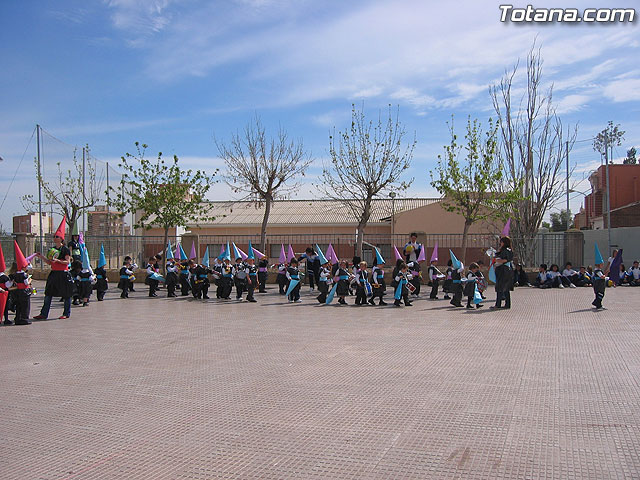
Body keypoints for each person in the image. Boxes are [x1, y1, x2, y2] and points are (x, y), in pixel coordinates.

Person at [34, 220, 74, 320]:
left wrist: (58, 261)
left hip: (63, 274)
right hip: (54, 274)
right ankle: (43, 314)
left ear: (61, 238)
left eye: (57, 236)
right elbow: (49, 262)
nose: (55, 238)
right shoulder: (52, 249)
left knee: (66, 295)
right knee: (48, 294)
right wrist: (41, 257)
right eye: (55, 236)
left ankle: (66, 313)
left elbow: (67, 262)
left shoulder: (65, 249)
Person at [491, 236, 514, 309]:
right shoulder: (508, 250)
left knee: (500, 287)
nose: (500, 243)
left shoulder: (506, 251)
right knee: (505, 288)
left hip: (503, 270)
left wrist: (496, 260)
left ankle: (498, 304)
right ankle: (507, 304)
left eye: (501, 242)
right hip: (505, 270)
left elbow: (505, 260)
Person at [9, 261, 32, 325]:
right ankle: (24, 319)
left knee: (18, 305)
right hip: (24, 291)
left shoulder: (14, 274)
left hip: (17, 291)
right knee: (25, 306)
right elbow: (26, 283)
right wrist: (30, 280)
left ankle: (18, 318)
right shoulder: (24, 274)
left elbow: (9, 283)